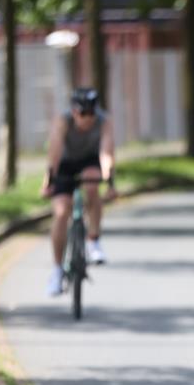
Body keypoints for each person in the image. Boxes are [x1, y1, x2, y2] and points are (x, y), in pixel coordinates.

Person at [41, 87, 118, 296]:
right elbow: (55, 151)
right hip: (65, 164)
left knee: (92, 186)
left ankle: (93, 240)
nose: (88, 119)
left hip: (89, 162)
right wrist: (49, 180)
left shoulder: (104, 121)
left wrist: (109, 180)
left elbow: (106, 151)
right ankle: (57, 271)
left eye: (92, 113)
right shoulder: (63, 121)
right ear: (74, 112)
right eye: (84, 114)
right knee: (60, 213)